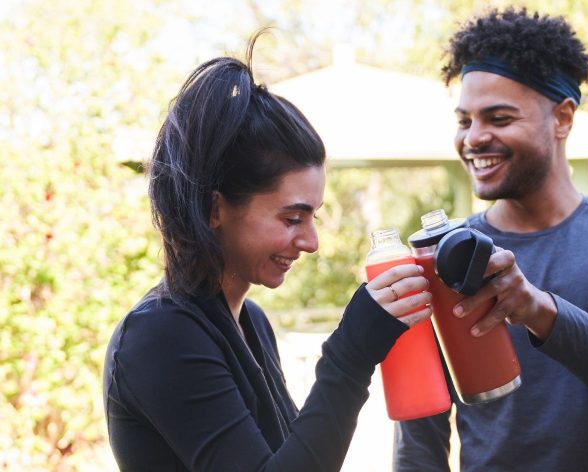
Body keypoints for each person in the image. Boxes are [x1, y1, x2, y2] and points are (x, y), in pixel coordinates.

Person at [103, 32, 432, 471]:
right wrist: (351, 353)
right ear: (214, 207)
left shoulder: (250, 322)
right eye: (292, 218)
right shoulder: (160, 335)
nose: (311, 242)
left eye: (313, 216)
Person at [394, 7, 588, 472]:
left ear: (562, 118)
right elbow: (421, 436)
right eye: (465, 120)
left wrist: (536, 308)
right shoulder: (442, 255)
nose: (474, 138)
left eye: (498, 117)